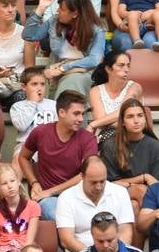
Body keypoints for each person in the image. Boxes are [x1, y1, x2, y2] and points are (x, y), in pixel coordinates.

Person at [16, 90, 99, 219]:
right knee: (58, 216)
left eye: (82, 114)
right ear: (61, 113)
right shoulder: (41, 132)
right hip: (50, 200)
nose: (81, 119)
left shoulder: (88, 139)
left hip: (79, 196)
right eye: (76, 114)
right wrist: (34, 182)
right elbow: (23, 157)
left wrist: (49, 192)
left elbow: (86, 175)